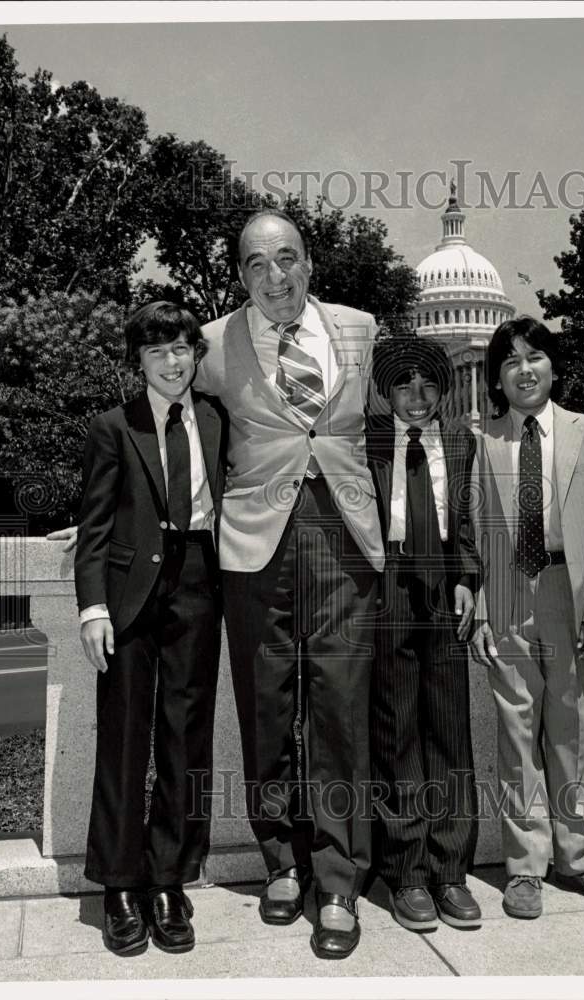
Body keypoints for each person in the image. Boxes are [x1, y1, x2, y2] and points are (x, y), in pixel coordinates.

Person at [194, 207, 384, 960]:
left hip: (343, 533)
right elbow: (173, 426)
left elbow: (405, 424)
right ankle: (281, 857)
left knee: (339, 706)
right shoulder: (210, 344)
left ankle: (339, 877)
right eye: (255, 264)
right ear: (238, 274)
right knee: (266, 705)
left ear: (310, 262)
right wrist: (114, 513)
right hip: (253, 543)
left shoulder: (362, 329)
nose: (275, 277)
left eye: (287, 258)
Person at [74, 302, 226, 954]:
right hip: (131, 594)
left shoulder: (218, 422)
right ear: (138, 361)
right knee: (125, 739)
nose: (172, 360)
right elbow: (96, 524)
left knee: (185, 740)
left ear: (195, 353)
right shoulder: (114, 427)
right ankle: (118, 883)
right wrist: (92, 606)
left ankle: (170, 879)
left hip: (199, 583)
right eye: (157, 350)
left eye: (181, 348)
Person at [469, 316, 584, 919]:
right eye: (510, 361)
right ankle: (524, 870)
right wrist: (484, 609)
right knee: (516, 734)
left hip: (568, 587)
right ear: (497, 377)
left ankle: (581, 857)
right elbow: (479, 532)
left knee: (569, 728)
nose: (524, 369)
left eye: (534, 357)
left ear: (553, 367)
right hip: (509, 587)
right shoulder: (482, 439)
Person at [366, 336, 482, 932]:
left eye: (428, 386)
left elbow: (467, 517)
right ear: (386, 392)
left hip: (442, 586)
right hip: (386, 585)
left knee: (449, 726)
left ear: (445, 390)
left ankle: (451, 869)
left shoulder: (461, 442)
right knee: (396, 729)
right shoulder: (369, 439)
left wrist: (467, 576)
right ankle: (407, 872)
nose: (416, 398)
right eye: (404, 386)